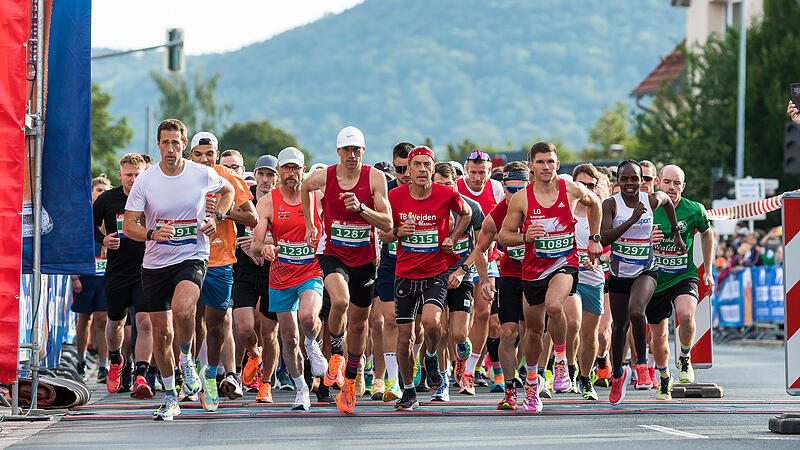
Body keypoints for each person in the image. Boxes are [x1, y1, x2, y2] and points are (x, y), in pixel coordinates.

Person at [123, 118, 234, 421]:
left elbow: (228, 190)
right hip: (156, 261)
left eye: (175, 142)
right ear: (157, 145)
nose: (170, 149)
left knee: (185, 309)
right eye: (165, 143)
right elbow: (129, 225)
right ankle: (171, 396)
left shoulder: (201, 173)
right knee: (161, 334)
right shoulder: (146, 180)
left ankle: (186, 358)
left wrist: (218, 217)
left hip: (193, 254)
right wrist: (150, 234)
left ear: (184, 144)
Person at [499, 142, 603, 412]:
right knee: (533, 332)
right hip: (533, 270)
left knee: (556, 305)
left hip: (564, 264)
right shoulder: (522, 198)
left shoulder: (571, 190)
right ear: (531, 165)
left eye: (551, 162)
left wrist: (594, 239)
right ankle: (532, 384)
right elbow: (503, 235)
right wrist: (524, 236)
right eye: (540, 162)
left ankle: (560, 362)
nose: (546, 167)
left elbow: (596, 204)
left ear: (557, 164)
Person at [300, 126, 392, 414]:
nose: (352, 155)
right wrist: (311, 224)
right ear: (338, 152)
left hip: (364, 258)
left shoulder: (374, 178)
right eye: (347, 150)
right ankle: (336, 350)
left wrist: (361, 208)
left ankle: (350, 380)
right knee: (339, 301)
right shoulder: (324, 176)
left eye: (357, 150)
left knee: (360, 324)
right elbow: (304, 187)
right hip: (332, 253)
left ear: (363, 152)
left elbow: (388, 223)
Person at [388, 146, 471, 410]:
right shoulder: (395, 196)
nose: (423, 170)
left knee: (432, 322)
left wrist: (453, 237)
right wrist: (399, 231)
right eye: (417, 165)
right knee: (405, 337)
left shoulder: (446, 194)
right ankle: (409, 390)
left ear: (433, 169)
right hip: (404, 274)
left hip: (435, 272)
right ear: (408, 170)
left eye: (427, 165)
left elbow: (467, 213)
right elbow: (384, 234)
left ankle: (432, 356)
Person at [600, 159, 685, 406]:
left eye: (634, 178)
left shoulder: (651, 200)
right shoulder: (610, 204)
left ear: (642, 180)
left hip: (646, 269)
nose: (630, 184)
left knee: (637, 311)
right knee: (618, 328)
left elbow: (668, 202)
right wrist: (631, 220)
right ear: (617, 182)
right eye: (624, 179)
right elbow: (605, 239)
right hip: (619, 272)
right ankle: (618, 375)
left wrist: (676, 232)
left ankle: (639, 364)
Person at [251, 147, 329, 411]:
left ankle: (313, 344)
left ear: (303, 170)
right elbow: (255, 245)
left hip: (311, 270)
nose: (291, 173)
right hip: (281, 274)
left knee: (308, 318)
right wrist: (264, 248)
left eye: (296, 168)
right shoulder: (267, 202)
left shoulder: (316, 197)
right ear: (279, 172)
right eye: (286, 168)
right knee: (288, 337)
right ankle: (301, 388)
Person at [189, 132, 258, 411]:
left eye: (209, 154)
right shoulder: (181, 176)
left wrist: (222, 212)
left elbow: (251, 216)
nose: (204, 159)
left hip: (220, 261)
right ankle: (188, 375)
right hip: (186, 257)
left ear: (216, 154)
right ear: (190, 154)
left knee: (217, 323)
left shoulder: (229, 178)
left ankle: (212, 376)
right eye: (198, 154)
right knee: (187, 318)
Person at [648, 164, 714, 400]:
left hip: (683, 275)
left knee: (686, 315)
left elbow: (707, 233)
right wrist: (648, 240)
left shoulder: (694, 209)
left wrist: (708, 268)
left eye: (677, 183)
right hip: (654, 278)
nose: (672, 187)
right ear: (658, 182)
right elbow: (627, 237)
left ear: (683, 186)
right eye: (667, 182)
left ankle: (685, 357)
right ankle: (664, 377)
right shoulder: (647, 208)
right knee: (658, 335)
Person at [93, 154, 155, 398]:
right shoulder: (109, 199)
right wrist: (103, 239)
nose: (133, 179)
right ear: (120, 175)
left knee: (145, 322)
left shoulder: (151, 198)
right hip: (117, 270)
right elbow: (88, 223)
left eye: (137, 175)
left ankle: (141, 375)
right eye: (128, 175)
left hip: (145, 269)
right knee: (116, 321)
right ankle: (115, 359)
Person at [468, 162, 529, 409]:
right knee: (507, 332)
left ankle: (535, 377)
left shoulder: (541, 206)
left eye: (520, 189)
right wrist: (483, 281)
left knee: (533, 331)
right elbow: (480, 250)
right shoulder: (496, 215)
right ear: (502, 187)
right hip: (511, 274)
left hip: (539, 274)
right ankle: (510, 389)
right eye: (509, 189)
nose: (514, 195)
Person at [430, 162, 485, 402]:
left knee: (459, 334)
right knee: (441, 332)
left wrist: (463, 270)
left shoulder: (471, 207)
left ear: (456, 184)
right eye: (438, 185)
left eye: (448, 185)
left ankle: (463, 358)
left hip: (461, 274)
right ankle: (443, 383)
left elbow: (482, 246)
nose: (443, 189)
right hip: (435, 275)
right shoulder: (426, 207)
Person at [231, 155, 281, 403]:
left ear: (277, 177)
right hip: (244, 272)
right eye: (261, 174)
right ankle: (253, 354)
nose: (265, 179)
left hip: (274, 272)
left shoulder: (284, 201)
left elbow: (294, 238)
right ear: (254, 174)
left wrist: (261, 245)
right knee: (244, 326)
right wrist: (245, 247)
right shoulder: (244, 199)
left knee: (270, 333)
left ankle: (266, 384)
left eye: (270, 175)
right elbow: (232, 231)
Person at [457, 150, 505, 392]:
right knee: (455, 322)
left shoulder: (496, 189)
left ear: (489, 171)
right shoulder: (455, 187)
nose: (477, 178)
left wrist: (491, 238)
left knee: (484, 312)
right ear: (466, 170)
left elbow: (505, 221)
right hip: (459, 258)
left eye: (482, 173)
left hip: (488, 256)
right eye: (473, 172)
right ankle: (458, 357)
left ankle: (470, 370)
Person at [375, 142, 414, 402]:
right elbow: (380, 231)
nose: (405, 175)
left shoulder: (427, 192)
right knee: (390, 321)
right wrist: (396, 233)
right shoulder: (385, 192)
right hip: (391, 263)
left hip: (420, 265)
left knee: (416, 329)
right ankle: (392, 381)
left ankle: (418, 364)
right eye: (399, 169)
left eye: (408, 168)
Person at [569, 164, 607, 401]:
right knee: (572, 322)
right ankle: (565, 367)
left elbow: (612, 246)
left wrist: (599, 259)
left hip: (594, 278)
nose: (586, 191)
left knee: (590, 333)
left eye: (591, 186)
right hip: (568, 277)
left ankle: (585, 379)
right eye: (581, 185)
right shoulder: (566, 210)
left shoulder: (601, 211)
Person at [73, 175, 112, 382]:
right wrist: (74, 276)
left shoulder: (112, 214)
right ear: (91, 192)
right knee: (84, 319)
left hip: (105, 277)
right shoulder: (84, 215)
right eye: (98, 190)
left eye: (105, 190)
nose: (102, 194)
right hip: (85, 276)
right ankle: (80, 361)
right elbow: (73, 245)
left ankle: (104, 366)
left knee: (103, 320)